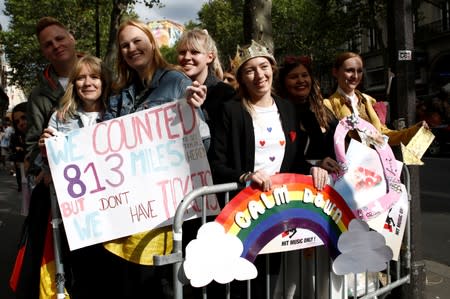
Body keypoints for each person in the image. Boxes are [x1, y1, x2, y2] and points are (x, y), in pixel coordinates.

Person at [208, 40, 328, 298]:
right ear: (241, 77)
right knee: (245, 281)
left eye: (264, 67)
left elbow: (293, 162)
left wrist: (313, 169)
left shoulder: (287, 108)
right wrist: (245, 176)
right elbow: (216, 162)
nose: (259, 75)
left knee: (273, 278)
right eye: (250, 70)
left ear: (272, 69)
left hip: (278, 210)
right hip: (243, 211)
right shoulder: (230, 111)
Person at [103, 19, 209, 299]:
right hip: (130, 206)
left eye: (137, 41)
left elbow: (204, 142)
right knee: (133, 283)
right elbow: (101, 142)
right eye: (124, 45)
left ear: (151, 42)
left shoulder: (177, 82)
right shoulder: (118, 94)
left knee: (164, 283)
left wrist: (191, 110)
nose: (131, 48)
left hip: (168, 207)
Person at [11, 16, 79, 299]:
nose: (55, 46)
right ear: (43, 52)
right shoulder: (39, 94)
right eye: (47, 45)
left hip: (107, 190)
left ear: (72, 38)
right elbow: (31, 149)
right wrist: (43, 160)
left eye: (59, 39)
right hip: (62, 196)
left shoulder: (103, 73)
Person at [38, 54, 112, 299]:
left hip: (115, 212)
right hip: (79, 217)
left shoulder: (120, 112)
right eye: (80, 78)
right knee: (82, 276)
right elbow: (49, 169)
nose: (87, 83)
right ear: (73, 84)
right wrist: (45, 150)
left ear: (105, 81)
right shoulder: (60, 118)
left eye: (94, 77)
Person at [324, 51, 428, 147]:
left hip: (374, 164)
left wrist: (414, 131)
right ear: (335, 72)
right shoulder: (327, 105)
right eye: (349, 70)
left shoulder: (369, 101)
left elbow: (383, 135)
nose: (355, 76)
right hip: (347, 164)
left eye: (359, 71)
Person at [278, 55, 340, 173]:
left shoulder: (321, 110)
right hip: (300, 181)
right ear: (283, 82)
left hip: (331, 181)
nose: (301, 80)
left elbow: (341, 140)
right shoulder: (280, 112)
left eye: (305, 75)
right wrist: (317, 164)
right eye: (293, 77)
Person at [176, 28, 235, 141]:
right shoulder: (172, 91)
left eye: (195, 52)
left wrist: (200, 112)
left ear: (210, 57)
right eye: (182, 52)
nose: (187, 57)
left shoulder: (225, 94)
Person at [10, 103, 28, 200]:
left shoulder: (47, 135)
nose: (21, 123)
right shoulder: (18, 136)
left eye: (24, 117)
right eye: (17, 122)